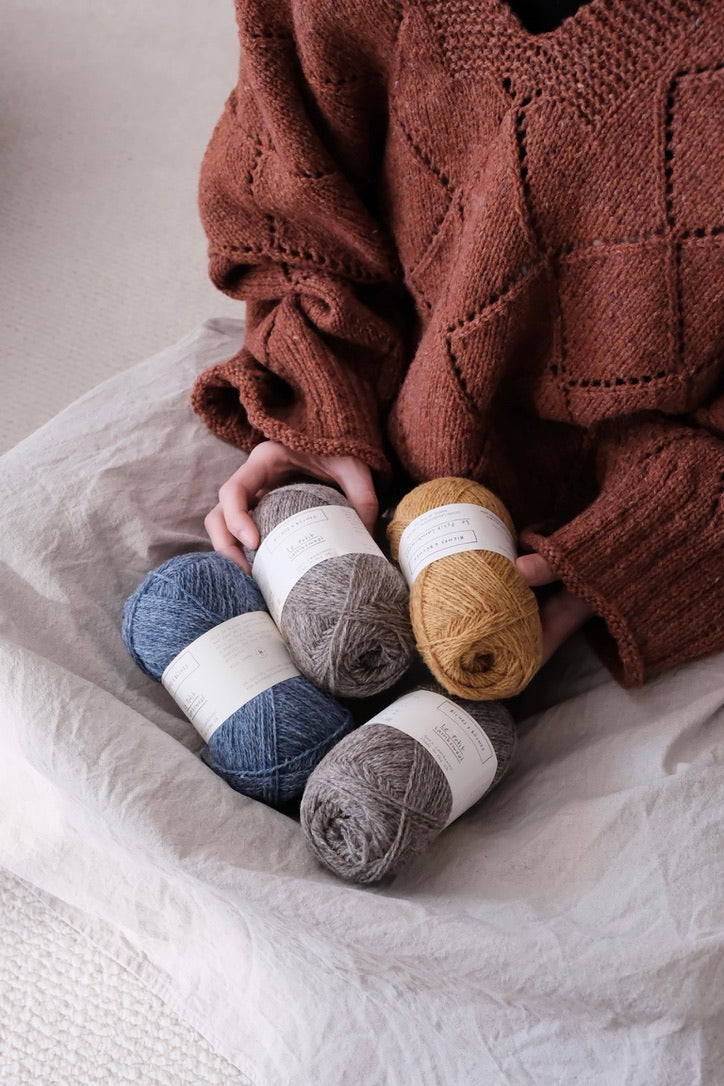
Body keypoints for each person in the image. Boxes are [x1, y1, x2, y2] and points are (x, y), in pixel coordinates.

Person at [191, 0, 724, 686]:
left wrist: (648, 544)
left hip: (639, 502)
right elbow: (289, 206)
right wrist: (318, 398)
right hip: (366, 406)